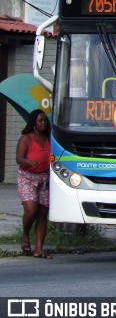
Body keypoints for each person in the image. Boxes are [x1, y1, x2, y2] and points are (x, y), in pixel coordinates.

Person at [15, 109, 52, 259]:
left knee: (43, 212)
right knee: (31, 210)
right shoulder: (26, 139)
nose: (43, 123)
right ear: (33, 123)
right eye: (40, 120)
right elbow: (19, 159)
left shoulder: (49, 138)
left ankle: (38, 249)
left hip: (44, 179)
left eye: (44, 120)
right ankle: (25, 234)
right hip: (27, 177)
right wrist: (29, 161)